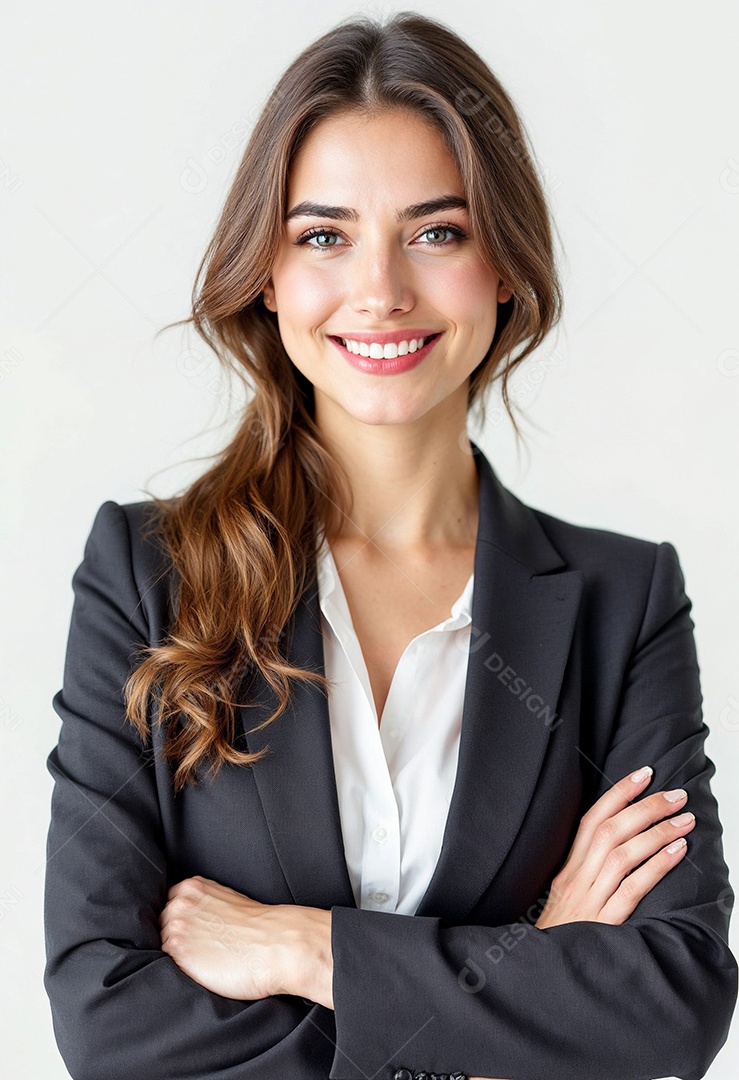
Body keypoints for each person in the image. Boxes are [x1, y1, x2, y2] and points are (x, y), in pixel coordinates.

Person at [43, 11, 736, 1080]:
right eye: (324, 235)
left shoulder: (621, 599)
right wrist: (524, 984)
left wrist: (305, 949)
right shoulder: (147, 579)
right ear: (266, 276)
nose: (381, 290)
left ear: (504, 265)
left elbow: (672, 1003)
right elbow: (108, 1021)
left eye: (436, 232)